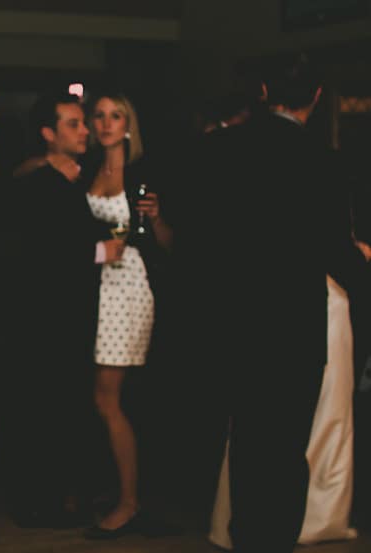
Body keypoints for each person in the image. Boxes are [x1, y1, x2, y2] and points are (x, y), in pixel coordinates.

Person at [179, 52, 368, 553]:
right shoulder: (322, 159)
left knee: (244, 445)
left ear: (262, 92)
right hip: (292, 328)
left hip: (231, 323)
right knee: (285, 451)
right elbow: (334, 251)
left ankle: (246, 540)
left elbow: (193, 237)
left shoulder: (218, 148)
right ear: (318, 97)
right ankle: (273, 542)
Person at [0, 91, 116, 529]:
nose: (85, 131)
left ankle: (65, 493)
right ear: (48, 134)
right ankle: (39, 500)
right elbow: (43, 251)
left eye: (84, 123)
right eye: (74, 124)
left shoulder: (79, 176)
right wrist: (103, 250)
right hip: (44, 315)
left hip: (77, 310)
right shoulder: (34, 180)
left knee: (67, 403)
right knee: (42, 403)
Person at [82, 91, 172, 539]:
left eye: (115, 116)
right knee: (94, 396)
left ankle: (130, 502)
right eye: (98, 115)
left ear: (129, 124)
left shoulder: (144, 173)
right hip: (90, 286)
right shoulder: (84, 169)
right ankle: (111, 487)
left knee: (108, 397)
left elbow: (171, 244)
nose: (106, 123)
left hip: (128, 284)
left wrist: (155, 219)